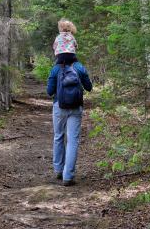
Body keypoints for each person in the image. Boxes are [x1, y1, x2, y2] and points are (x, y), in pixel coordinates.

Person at [47, 20, 92, 186]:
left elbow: (49, 91)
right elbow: (89, 87)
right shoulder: (79, 67)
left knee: (58, 136)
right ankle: (68, 176)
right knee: (73, 140)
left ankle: (58, 170)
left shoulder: (56, 69)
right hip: (76, 107)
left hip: (59, 106)